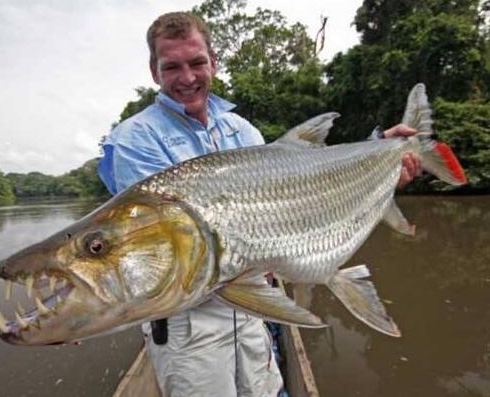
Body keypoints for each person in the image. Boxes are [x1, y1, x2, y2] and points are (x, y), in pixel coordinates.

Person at [98, 11, 421, 397]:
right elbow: (150, 252)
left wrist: (378, 152)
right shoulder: (136, 139)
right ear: (155, 71)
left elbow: (299, 183)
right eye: (172, 67)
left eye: (197, 62)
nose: (187, 78)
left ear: (213, 62)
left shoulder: (241, 129)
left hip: (253, 310)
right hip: (189, 328)